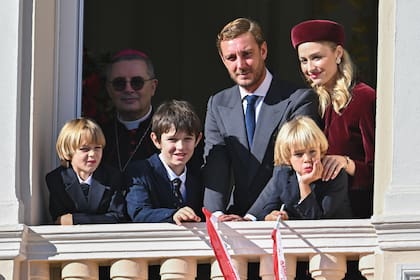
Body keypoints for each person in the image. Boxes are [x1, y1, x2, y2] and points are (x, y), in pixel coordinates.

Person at [202, 17, 321, 221]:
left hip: (283, 217)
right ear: (223, 60)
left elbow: (290, 167)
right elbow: (215, 165)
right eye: (231, 58)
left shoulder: (299, 99)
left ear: (263, 51)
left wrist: (252, 217)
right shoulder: (217, 103)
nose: (240, 65)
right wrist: (216, 216)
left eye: (247, 54)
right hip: (236, 219)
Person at [291, 19, 376, 219]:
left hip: (355, 217)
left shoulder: (364, 98)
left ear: (338, 54)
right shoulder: (308, 102)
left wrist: (347, 163)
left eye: (317, 57)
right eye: (304, 60)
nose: (310, 67)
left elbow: (379, 172)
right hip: (313, 213)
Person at [246, 116, 352, 221]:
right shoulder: (283, 174)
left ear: (321, 150)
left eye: (312, 152)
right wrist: (270, 217)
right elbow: (262, 210)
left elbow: (316, 222)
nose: (307, 159)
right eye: (298, 154)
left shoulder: (334, 175)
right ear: (288, 159)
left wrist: (304, 185)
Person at [125, 100, 204, 224]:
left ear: (197, 140)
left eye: (187, 139)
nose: (180, 147)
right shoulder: (140, 172)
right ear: (156, 140)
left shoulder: (200, 174)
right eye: (172, 139)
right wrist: (173, 215)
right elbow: (139, 212)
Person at [46, 118, 127, 225]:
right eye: (84, 149)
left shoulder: (112, 176)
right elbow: (59, 219)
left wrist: (74, 219)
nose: (92, 154)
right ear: (67, 152)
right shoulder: (56, 179)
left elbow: (117, 217)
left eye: (97, 148)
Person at [101, 49, 159, 174]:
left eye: (137, 82)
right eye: (119, 83)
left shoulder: (172, 135)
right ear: (109, 89)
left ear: (153, 87)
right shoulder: (98, 136)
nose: (128, 89)